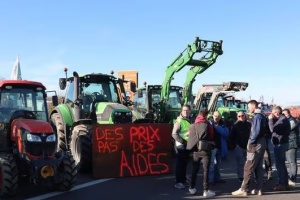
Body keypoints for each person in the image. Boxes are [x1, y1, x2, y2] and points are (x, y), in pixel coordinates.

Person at [232, 100, 268, 196]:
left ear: (253, 106)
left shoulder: (257, 117)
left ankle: (244, 189)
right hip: (262, 142)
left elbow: (255, 132)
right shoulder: (263, 115)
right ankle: (258, 189)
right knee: (259, 167)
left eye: (249, 107)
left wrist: (250, 142)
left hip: (256, 144)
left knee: (248, 166)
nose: (248, 109)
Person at [186, 109, 216, 197]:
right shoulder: (207, 124)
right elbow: (211, 135)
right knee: (205, 170)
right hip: (205, 149)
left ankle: (192, 187)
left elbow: (190, 136)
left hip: (196, 150)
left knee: (195, 169)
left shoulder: (193, 125)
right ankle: (206, 190)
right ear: (206, 115)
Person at [268, 106, 291, 191]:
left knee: (279, 165)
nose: (272, 115)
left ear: (277, 113)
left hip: (280, 144)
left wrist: (270, 120)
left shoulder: (282, 120)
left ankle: (281, 184)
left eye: (273, 113)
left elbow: (272, 129)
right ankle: (284, 183)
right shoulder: (283, 119)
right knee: (282, 165)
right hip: (283, 143)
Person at [172, 105, 191, 189]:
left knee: (184, 163)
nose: (186, 112)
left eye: (187, 110)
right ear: (181, 111)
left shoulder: (188, 120)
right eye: (184, 110)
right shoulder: (179, 121)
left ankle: (183, 180)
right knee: (180, 164)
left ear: (190, 111)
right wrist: (183, 141)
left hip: (187, 145)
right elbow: (174, 134)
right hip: (181, 145)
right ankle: (178, 181)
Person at [208, 111, 229, 185]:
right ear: (212, 116)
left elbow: (226, 133)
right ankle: (211, 179)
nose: (216, 117)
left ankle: (217, 178)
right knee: (212, 164)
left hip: (220, 147)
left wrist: (217, 127)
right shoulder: (209, 124)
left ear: (220, 117)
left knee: (217, 164)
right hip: (212, 147)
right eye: (215, 116)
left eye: (218, 116)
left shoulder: (222, 125)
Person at [231, 111, 251, 182]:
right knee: (240, 162)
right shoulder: (235, 125)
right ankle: (241, 177)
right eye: (239, 116)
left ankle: (247, 176)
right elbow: (231, 136)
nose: (241, 117)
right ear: (237, 117)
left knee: (248, 162)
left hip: (248, 146)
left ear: (245, 116)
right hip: (239, 146)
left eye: (242, 116)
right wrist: (235, 145)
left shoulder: (249, 124)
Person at [283, 108, 300, 187]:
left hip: (292, 143)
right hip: (288, 143)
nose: (283, 116)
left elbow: (287, 130)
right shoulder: (288, 120)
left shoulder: (292, 121)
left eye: (284, 114)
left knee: (292, 162)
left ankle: (293, 179)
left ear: (288, 114)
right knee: (289, 162)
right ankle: (291, 178)